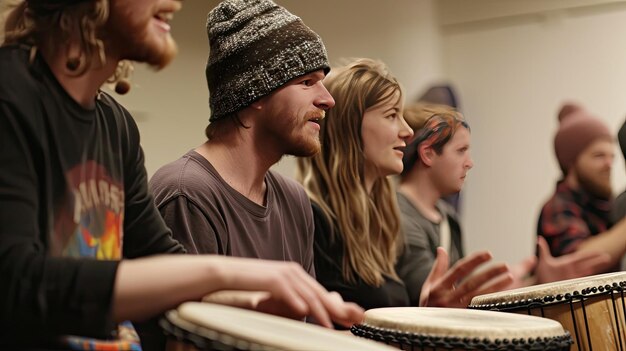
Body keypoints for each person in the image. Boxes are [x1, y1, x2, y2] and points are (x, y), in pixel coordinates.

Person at [0, 1, 362, 349]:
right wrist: (229, 274)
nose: (173, 4)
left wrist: (254, 304)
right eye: (305, 81)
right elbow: (16, 283)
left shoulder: (114, 124)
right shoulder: (11, 94)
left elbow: (159, 260)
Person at [297, 58, 514, 313]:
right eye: (391, 115)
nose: (408, 131)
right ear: (350, 127)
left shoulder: (381, 223)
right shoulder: (313, 219)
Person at [149, 0, 329, 283]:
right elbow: (194, 325)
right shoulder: (187, 194)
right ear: (256, 93)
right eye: (307, 82)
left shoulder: (294, 201)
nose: (327, 99)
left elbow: (306, 324)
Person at [398, 103, 611, 307]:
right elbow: (442, 305)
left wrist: (538, 282)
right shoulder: (400, 218)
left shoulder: (447, 216)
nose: (469, 162)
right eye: (461, 150)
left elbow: (464, 298)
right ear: (427, 153)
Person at [538, 102, 626, 273]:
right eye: (599, 156)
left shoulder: (609, 204)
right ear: (571, 162)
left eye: (612, 157)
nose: (609, 164)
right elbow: (579, 262)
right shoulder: (557, 207)